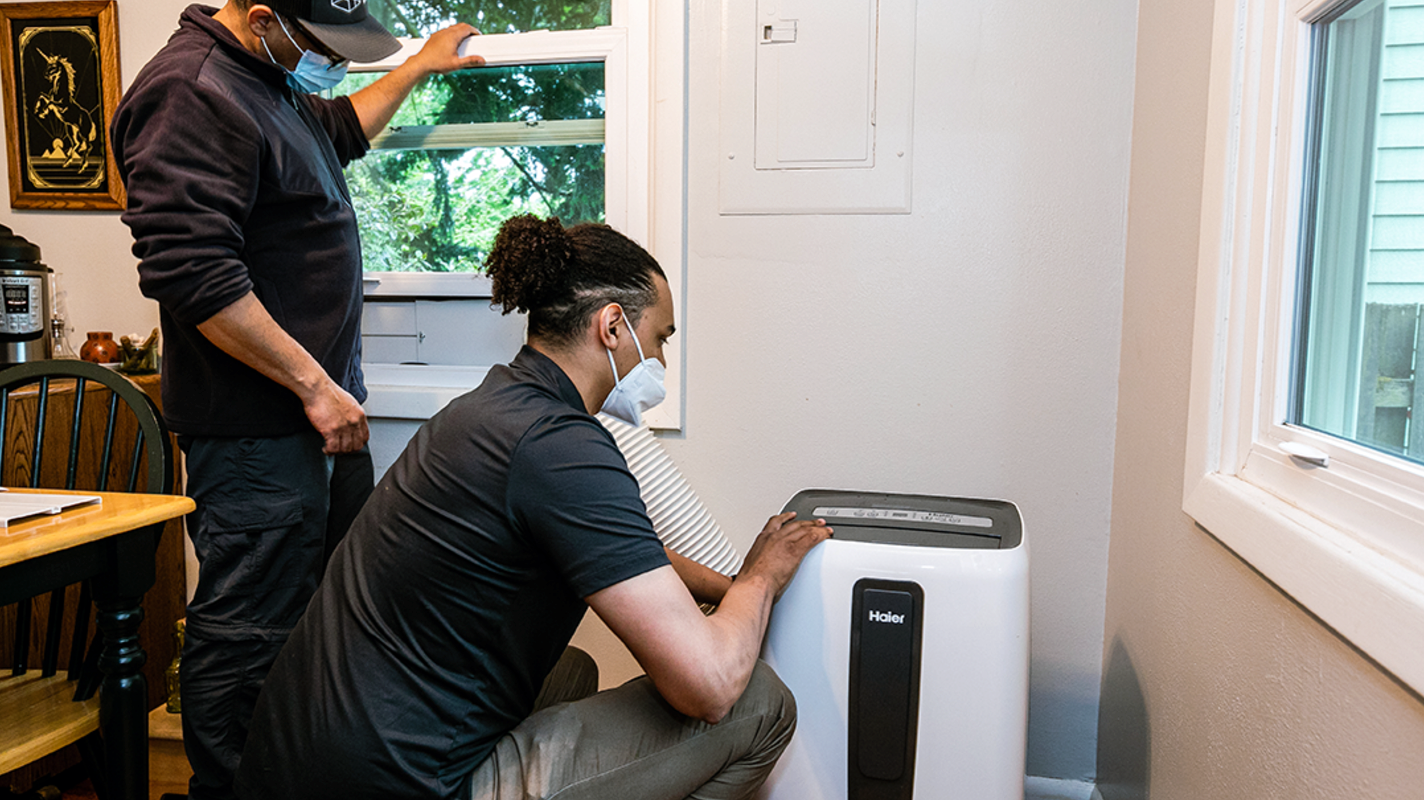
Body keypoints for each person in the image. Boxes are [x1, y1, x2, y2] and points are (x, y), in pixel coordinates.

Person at [234, 215, 833, 799]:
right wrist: (761, 579)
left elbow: (621, 550)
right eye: (660, 340)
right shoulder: (561, 446)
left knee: (568, 669)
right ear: (613, 326)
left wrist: (730, 586)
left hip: (303, 759)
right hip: (402, 780)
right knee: (756, 704)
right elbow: (707, 687)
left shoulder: (493, 411)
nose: (662, 363)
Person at [109, 2, 484, 798]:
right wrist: (315, 386)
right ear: (261, 15)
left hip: (316, 422)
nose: (335, 63)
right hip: (259, 430)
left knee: (332, 608)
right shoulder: (192, 90)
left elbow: (340, 130)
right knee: (247, 630)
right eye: (322, 47)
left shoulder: (265, 77)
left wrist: (417, 65)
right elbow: (192, 275)